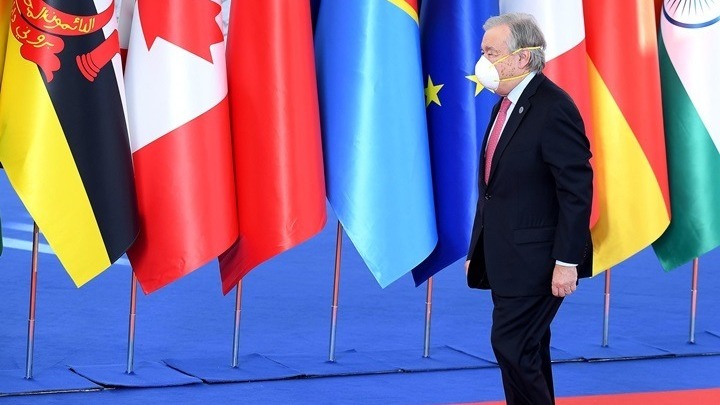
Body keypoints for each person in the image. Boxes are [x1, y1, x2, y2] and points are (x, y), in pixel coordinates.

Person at [465, 13, 593, 405]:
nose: (483, 61)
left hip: (539, 260)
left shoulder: (553, 107)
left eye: (491, 52)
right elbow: (493, 188)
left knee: (512, 345)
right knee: (527, 349)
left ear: (522, 57)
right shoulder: (504, 106)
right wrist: (477, 249)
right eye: (483, 51)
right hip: (506, 256)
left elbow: (576, 189)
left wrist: (567, 261)